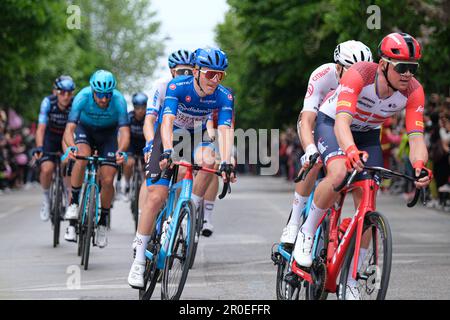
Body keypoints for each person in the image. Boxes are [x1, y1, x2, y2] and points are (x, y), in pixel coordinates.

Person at [293, 32, 432, 299]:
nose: (407, 75)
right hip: (333, 124)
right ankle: (307, 232)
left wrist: (419, 165)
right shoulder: (360, 74)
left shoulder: (414, 91)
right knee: (339, 172)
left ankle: (353, 279)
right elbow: (343, 122)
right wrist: (350, 151)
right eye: (401, 67)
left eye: (413, 69)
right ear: (383, 64)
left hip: (368, 135)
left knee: (368, 200)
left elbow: (416, 137)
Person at [128, 47, 236, 289]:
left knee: (211, 159)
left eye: (221, 75)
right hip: (170, 135)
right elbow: (165, 122)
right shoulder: (178, 87)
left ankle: (189, 213)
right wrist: (166, 150)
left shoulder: (224, 96)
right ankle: (139, 257)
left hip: (197, 136)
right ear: (196, 71)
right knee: (157, 196)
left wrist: (227, 160)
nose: (215, 80)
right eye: (210, 74)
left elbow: (225, 129)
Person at [280, 40, 373, 244]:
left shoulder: (369, 82)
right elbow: (307, 119)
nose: (357, 77)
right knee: (316, 161)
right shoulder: (323, 75)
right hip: (318, 121)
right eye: (350, 71)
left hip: (345, 127)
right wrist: (310, 149)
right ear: (338, 68)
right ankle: (294, 221)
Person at [63, 70, 130, 247]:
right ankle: (74, 203)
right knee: (81, 157)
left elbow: (124, 132)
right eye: (99, 95)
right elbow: (69, 129)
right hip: (85, 130)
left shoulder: (119, 100)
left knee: (108, 179)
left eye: (107, 95)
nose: (103, 99)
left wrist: (121, 151)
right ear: (93, 91)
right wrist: (72, 147)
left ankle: (102, 223)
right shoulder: (82, 97)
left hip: (108, 135)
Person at [33, 75, 75, 221]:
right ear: (55, 92)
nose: (66, 96)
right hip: (50, 138)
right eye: (62, 92)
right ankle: (46, 198)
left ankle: (69, 196)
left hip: (66, 137)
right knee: (47, 169)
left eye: (69, 93)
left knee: (68, 164)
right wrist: (39, 147)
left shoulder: (75, 104)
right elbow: (40, 129)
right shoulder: (48, 102)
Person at [121, 92, 148, 197]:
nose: (140, 110)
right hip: (131, 142)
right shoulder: (129, 117)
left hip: (144, 143)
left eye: (143, 107)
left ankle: (145, 187)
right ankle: (127, 182)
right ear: (134, 107)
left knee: (147, 167)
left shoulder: (149, 117)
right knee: (129, 163)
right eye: (137, 107)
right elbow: (123, 134)